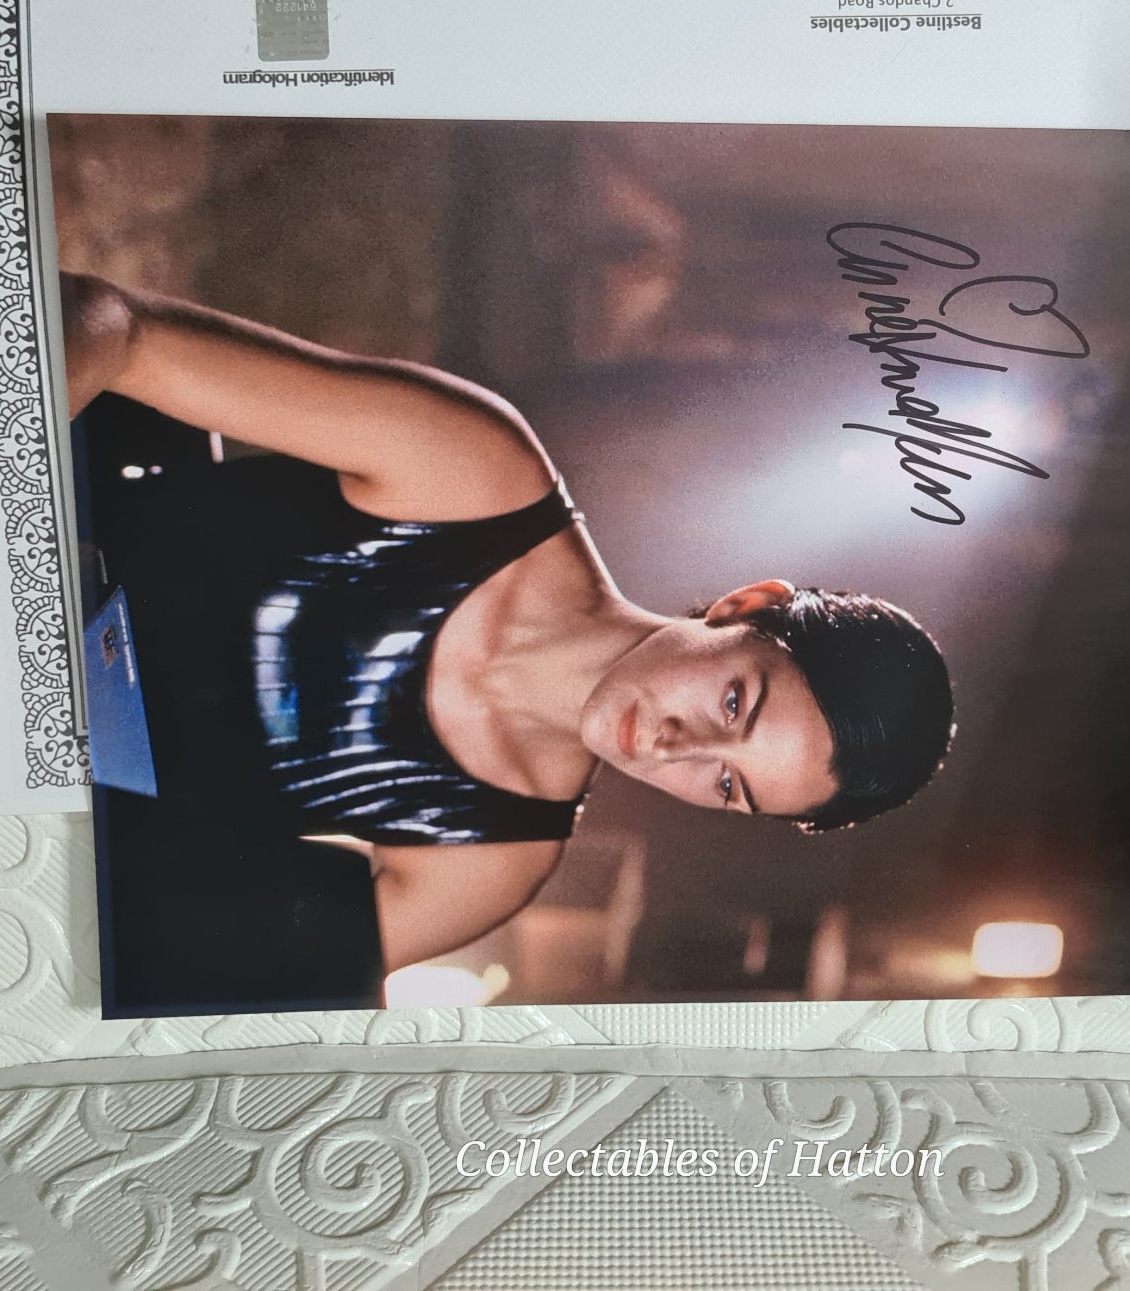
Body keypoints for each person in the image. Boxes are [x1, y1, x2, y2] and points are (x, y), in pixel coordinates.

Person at [63, 273, 955, 998]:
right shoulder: (480, 475)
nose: (678, 749)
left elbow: (182, 974)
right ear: (741, 606)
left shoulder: (494, 864)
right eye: (733, 703)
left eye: (728, 786)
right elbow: (110, 326)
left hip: (39, 794)